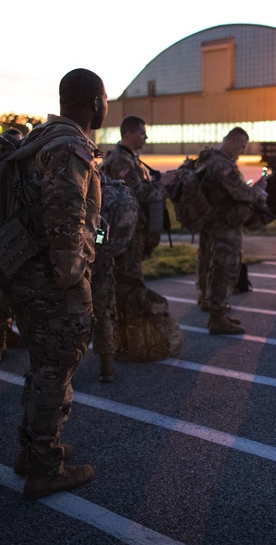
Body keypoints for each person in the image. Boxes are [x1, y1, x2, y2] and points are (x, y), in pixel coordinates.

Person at [1, 68, 105, 500]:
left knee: (43, 364)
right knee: (55, 368)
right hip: (54, 281)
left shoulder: (38, 140)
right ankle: (44, 468)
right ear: (95, 101)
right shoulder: (68, 146)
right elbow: (65, 220)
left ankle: (34, 449)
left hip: (27, 274)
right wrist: (72, 277)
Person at [100, 116, 174, 379]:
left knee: (127, 285)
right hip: (123, 237)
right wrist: (162, 184)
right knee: (128, 287)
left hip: (132, 235)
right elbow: (139, 194)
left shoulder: (131, 159)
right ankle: (125, 343)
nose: (146, 137)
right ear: (129, 134)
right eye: (142, 133)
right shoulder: (120, 161)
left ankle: (125, 341)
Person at [197, 127, 267, 334]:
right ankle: (218, 317)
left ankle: (214, 308)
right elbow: (242, 193)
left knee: (212, 265)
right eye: (242, 146)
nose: (242, 150)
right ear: (233, 141)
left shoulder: (210, 159)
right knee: (225, 270)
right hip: (224, 226)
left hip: (214, 222)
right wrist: (260, 186)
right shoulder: (222, 165)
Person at [0, 126, 27, 365]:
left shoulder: (25, 171)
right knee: (0, 298)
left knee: (20, 297)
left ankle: (10, 337)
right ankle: (0, 340)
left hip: (21, 242)